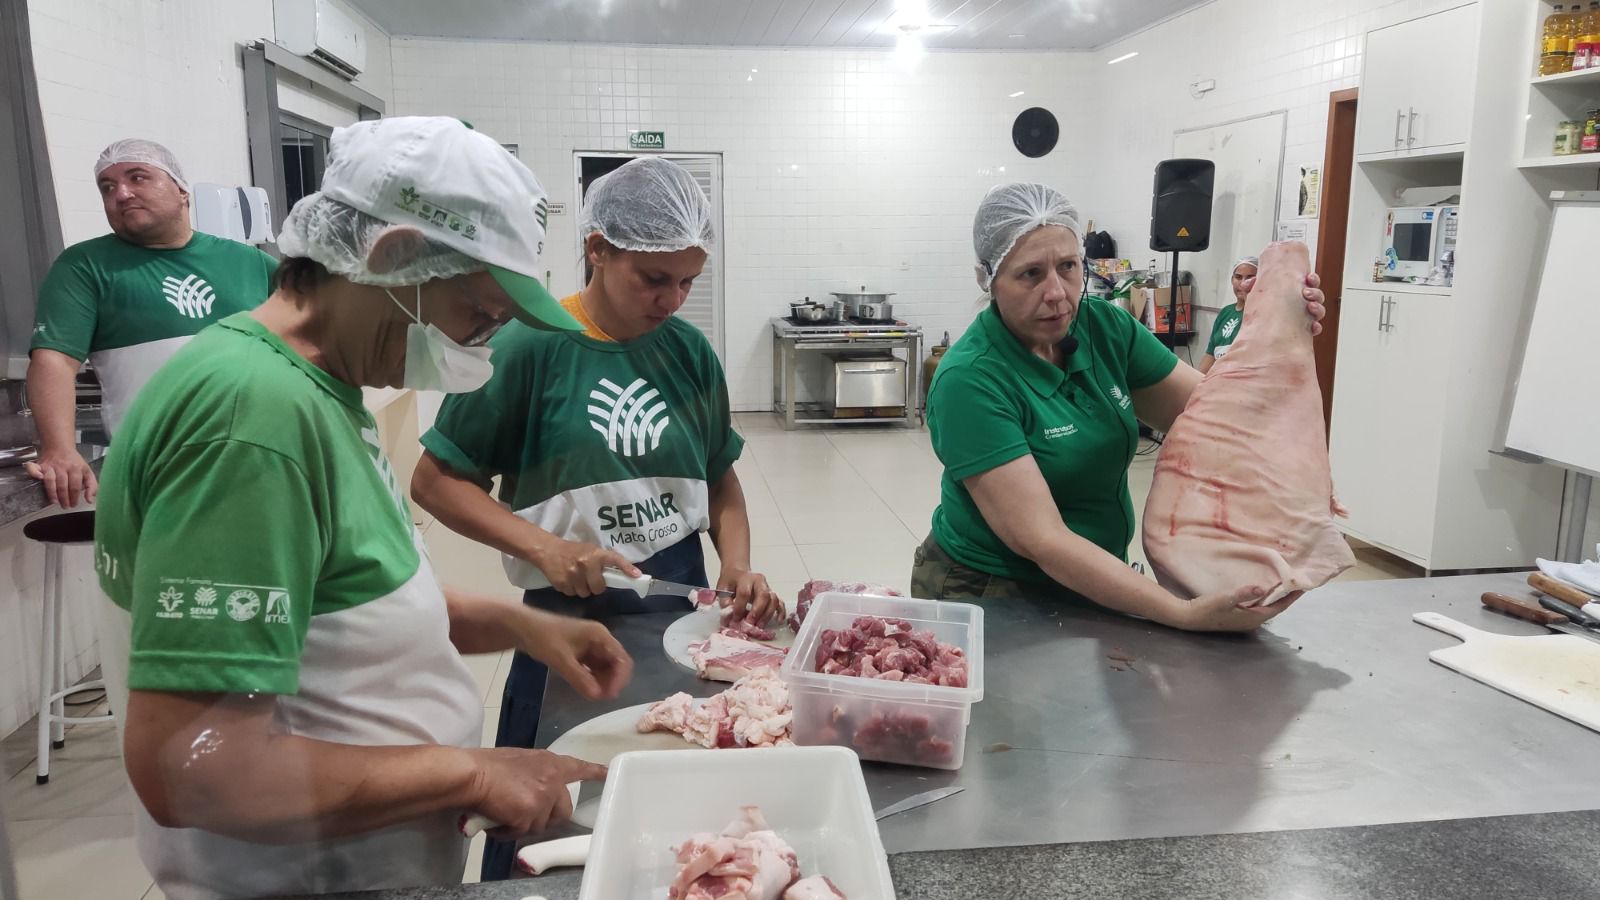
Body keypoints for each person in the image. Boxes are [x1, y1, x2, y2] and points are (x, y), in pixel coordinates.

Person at [91, 116, 633, 900]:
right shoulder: (253, 422)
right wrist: (474, 774)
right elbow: (193, 770)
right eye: (479, 316)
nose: (479, 348)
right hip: (308, 877)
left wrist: (519, 624)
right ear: (395, 258)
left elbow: (332, 611)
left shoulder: (315, 384)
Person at [410, 156, 781, 881]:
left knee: (683, 823)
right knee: (556, 829)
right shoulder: (527, 346)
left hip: (682, 611)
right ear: (598, 248)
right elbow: (438, 481)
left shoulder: (688, 352)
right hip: (563, 622)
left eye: (688, 281)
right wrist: (544, 547)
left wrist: (735, 562)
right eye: (653, 279)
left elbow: (719, 476)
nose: (672, 300)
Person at [911, 184, 1325, 632]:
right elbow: (1043, 540)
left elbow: (1217, 422)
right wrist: (1180, 613)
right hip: (994, 590)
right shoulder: (970, 379)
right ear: (988, 279)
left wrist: (1277, 328)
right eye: (1030, 274)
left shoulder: (1104, 327)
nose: (1057, 293)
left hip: (1095, 575)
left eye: (1068, 267)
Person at [26, 139, 277, 507]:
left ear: (181, 190)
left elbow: (309, 351)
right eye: (107, 187)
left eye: (137, 177)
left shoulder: (253, 265)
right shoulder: (84, 266)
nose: (122, 193)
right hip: (158, 476)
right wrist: (59, 448)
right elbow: (54, 361)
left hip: (266, 462)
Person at [1198, 256, 1259, 374]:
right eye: (1238, 277)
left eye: (1249, 278)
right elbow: (1210, 354)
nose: (1242, 283)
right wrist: (1197, 382)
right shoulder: (1226, 312)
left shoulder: (1260, 314)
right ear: (1232, 280)